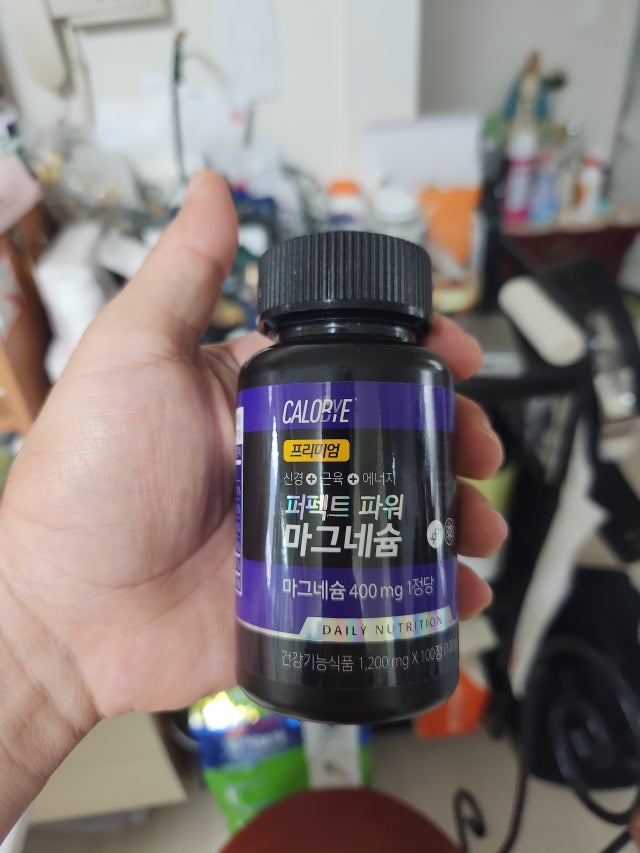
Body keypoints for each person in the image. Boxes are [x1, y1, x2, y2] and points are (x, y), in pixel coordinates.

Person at [0, 171, 507, 840]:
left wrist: (35, 648)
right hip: (287, 644)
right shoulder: (273, 378)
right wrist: (32, 638)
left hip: (400, 641)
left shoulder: (411, 375)